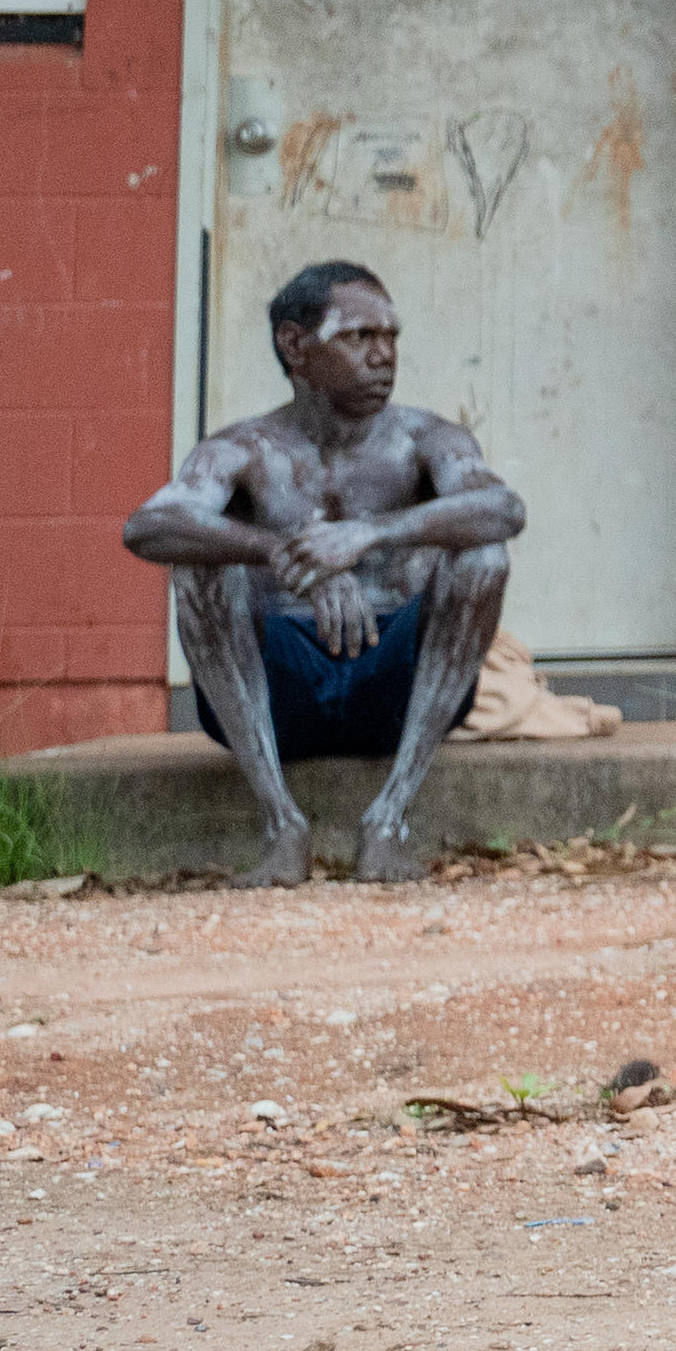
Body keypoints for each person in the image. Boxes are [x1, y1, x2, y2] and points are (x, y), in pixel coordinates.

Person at [123, 259, 526, 885]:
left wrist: (367, 533)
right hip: (280, 697)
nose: (383, 356)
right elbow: (148, 526)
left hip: (392, 690)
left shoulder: (426, 438)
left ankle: (387, 821)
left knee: (484, 555)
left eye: (390, 337)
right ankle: (282, 825)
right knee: (198, 565)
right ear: (295, 345)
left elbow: (503, 508)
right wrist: (282, 552)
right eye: (359, 336)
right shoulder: (245, 448)